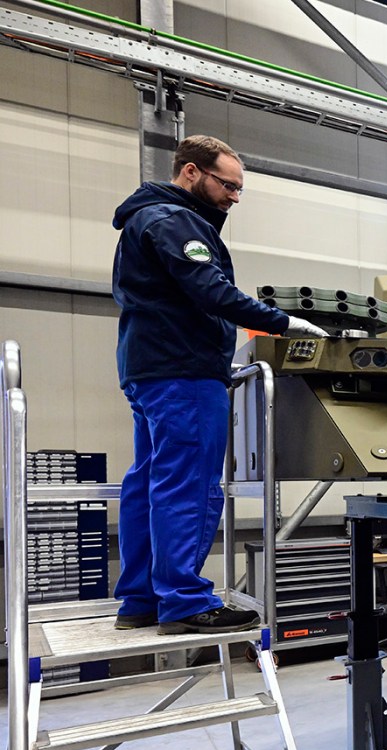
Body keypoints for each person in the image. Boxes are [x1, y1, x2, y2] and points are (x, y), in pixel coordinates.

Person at [111, 135, 326, 634]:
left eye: (239, 189)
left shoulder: (147, 219)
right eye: (228, 185)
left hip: (150, 370)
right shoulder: (173, 220)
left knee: (149, 481)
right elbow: (211, 291)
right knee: (188, 484)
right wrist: (283, 322)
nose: (233, 196)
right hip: (183, 371)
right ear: (190, 172)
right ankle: (184, 602)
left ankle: (140, 598)